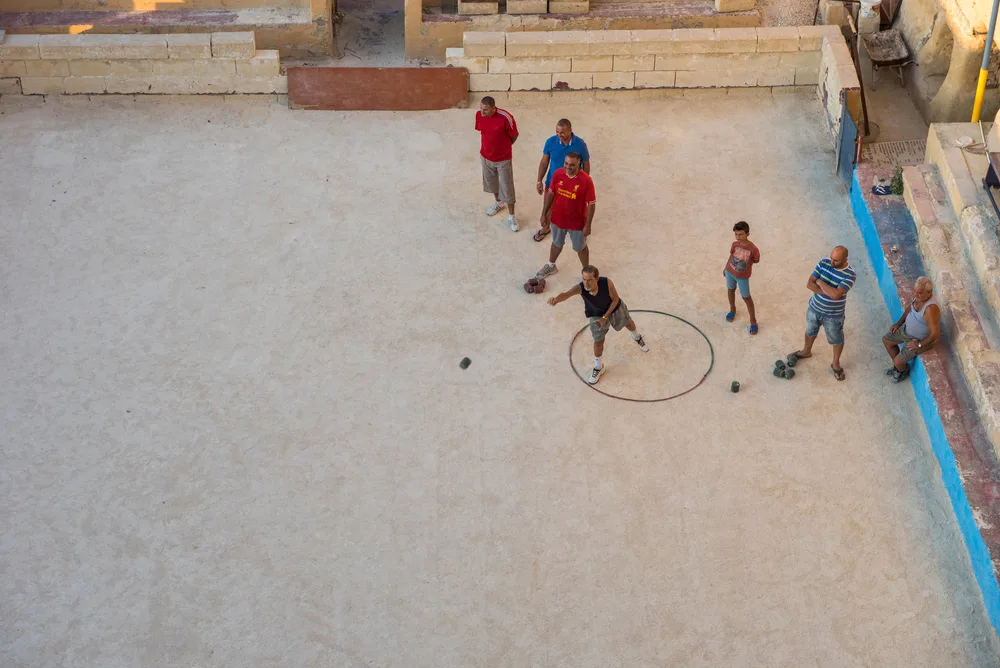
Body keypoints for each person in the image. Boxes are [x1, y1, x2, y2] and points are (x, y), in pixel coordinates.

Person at [547, 265, 648, 385]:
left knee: (629, 323)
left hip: (615, 309)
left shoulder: (607, 283)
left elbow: (615, 299)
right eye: (584, 279)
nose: (586, 282)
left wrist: (605, 317)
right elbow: (566, 294)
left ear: (597, 278)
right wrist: (556, 300)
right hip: (596, 316)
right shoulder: (580, 288)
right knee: (598, 341)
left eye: (589, 279)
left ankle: (637, 337)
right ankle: (598, 367)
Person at [788, 246, 857, 381]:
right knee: (810, 332)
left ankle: (835, 364)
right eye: (831, 258)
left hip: (833, 315)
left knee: (836, 339)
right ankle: (806, 352)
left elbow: (836, 295)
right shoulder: (823, 263)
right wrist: (828, 292)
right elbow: (809, 284)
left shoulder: (850, 275)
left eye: (836, 260)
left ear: (845, 260)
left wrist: (819, 282)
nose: (832, 263)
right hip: (814, 308)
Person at [535, 152, 595, 279]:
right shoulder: (557, 174)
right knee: (556, 243)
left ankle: (586, 272)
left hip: (577, 222)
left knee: (580, 247)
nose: (568, 167)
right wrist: (544, 213)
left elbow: (591, 204)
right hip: (558, 218)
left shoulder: (586, 180)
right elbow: (550, 194)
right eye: (566, 163)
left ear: (579, 163)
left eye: (572, 165)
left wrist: (588, 225)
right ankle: (551, 265)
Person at [533, 119, 591, 242]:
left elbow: (586, 164)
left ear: (570, 130)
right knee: (548, 207)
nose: (560, 135)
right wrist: (539, 180)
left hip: (572, 185)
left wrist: (584, 184)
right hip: (553, 183)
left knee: (576, 209)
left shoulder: (580, 144)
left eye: (563, 132)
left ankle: (580, 231)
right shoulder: (550, 142)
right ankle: (547, 227)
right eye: (557, 132)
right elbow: (544, 162)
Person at [881, 277, 941, 383]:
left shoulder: (931, 309)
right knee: (887, 341)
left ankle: (902, 371)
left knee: (898, 361)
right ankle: (898, 367)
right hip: (906, 330)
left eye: (919, 293)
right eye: (915, 291)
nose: (915, 295)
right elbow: (910, 308)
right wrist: (899, 323)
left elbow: (935, 334)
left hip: (917, 340)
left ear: (929, 292)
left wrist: (919, 344)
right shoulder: (919, 298)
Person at [474, 96, 519, 232]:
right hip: (486, 157)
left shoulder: (506, 117)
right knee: (491, 182)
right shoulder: (478, 115)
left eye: (486, 110)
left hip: (503, 159)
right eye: (481, 109)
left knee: (507, 186)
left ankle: (511, 216)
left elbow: (515, 135)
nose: (482, 112)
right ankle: (499, 203)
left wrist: (505, 147)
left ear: (494, 108)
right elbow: (483, 132)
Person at [723, 221, 761, 334]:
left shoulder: (753, 249)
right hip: (730, 272)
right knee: (730, 290)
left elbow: (756, 260)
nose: (738, 237)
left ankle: (753, 321)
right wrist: (725, 268)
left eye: (741, 234)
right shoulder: (735, 244)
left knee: (746, 298)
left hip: (742, 277)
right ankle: (732, 309)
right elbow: (731, 255)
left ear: (747, 234)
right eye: (736, 234)